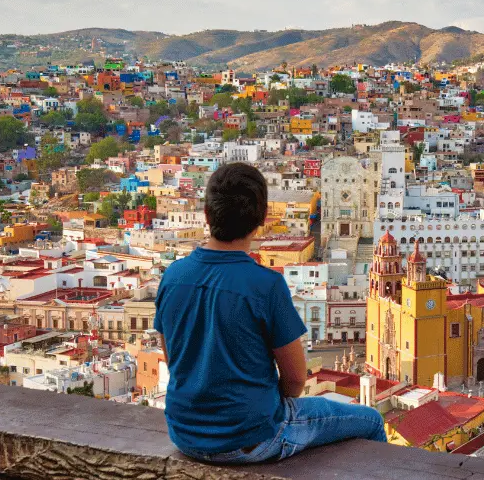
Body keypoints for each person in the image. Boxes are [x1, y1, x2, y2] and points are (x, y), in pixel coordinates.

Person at [155, 162, 386, 464]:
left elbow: (174, 360)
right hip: (253, 439)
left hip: (184, 435)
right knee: (371, 420)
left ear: (207, 216)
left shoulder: (173, 276)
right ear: (263, 219)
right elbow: (294, 381)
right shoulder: (266, 285)